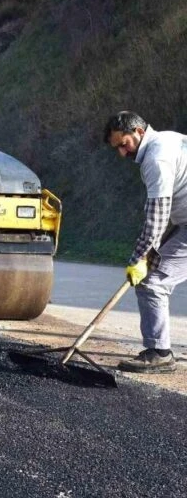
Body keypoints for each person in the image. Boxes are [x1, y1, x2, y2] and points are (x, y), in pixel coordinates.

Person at [103, 111, 187, 373]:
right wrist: (151, 254)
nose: (122, 153)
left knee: (152, 282)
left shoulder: (156, 158)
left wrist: (139, 258)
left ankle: (159, 352)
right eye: (117, 148)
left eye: (123, 144)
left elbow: (157, 218)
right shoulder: (170, 140)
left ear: (139, 132)